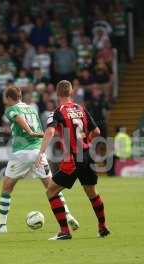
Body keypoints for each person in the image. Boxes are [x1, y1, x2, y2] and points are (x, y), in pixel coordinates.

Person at [0, 86, 79, 234]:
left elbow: (17, 118)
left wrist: (29, 131)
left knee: (7, 187)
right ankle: (68, 215)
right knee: (52, 187)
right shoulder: (32, 108)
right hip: (38, 152)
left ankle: (2, 226)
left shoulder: (10, 109)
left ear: (8, 98)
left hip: (21, 153)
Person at [35, 80, 110, 240]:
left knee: (51, 191)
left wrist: (41, 153)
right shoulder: (81, 109)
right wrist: (85, 139)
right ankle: (103, 227)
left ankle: (64, 231)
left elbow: (49, 132)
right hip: (88, 155)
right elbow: (96, 131)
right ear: (71, 92)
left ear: (57, 93)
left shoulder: (57, 111)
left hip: (74, 158)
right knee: (92, 192)